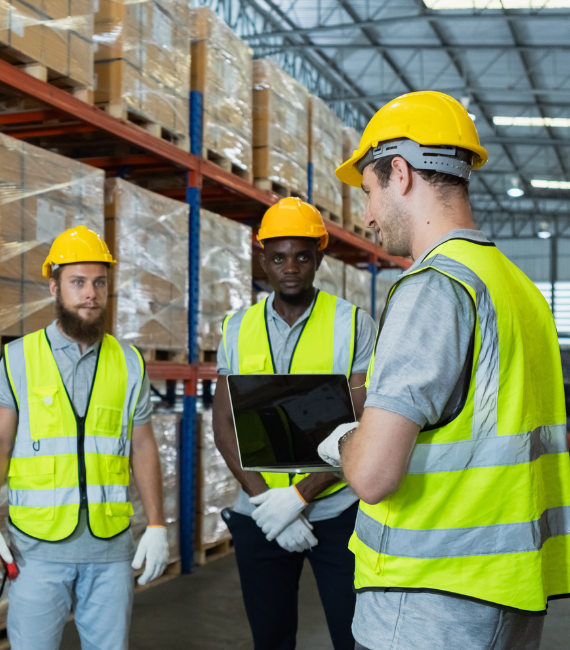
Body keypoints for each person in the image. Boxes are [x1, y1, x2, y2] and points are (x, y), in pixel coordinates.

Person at [317, 91, 570, 650]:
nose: (367, 216)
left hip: (426, 603)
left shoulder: (434, 287)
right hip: (508, 595)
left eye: (368, 193)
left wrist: (342, 442)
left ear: (400, 173)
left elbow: (374, 476)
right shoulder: (517, 288)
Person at [0, 226, 169, 650]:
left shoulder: (129, 362)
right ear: (54, 287)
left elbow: (143, 445)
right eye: (78, 283)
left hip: (110, 547)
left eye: (99, 282)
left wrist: (156, 524)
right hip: (38, 547)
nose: (90, 294)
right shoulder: (19, 357)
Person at [211, 197, 376, 650]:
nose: (291, 267)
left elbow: (367, 427)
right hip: (261, 512)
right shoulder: (235, 328)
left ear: (319, 259)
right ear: (261, 258)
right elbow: (224, 426)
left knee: (354, 636)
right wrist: (269, 505)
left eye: (303, 256)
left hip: (336, 509)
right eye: (279, 256)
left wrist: (300, 496)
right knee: (271, 639)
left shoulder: (354, 325)